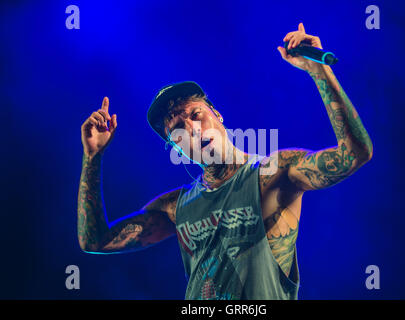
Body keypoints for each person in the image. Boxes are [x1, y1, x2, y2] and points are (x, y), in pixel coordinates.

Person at [77, 22, 373, 300]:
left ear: (216, 114)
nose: (192, 130)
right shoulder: (175, 209)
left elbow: (354, 153)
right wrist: (93, 158)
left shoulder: (273, 172)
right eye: (178, 132)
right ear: (177, 150)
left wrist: (319, 72)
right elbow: (94, 242)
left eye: (196, 115)